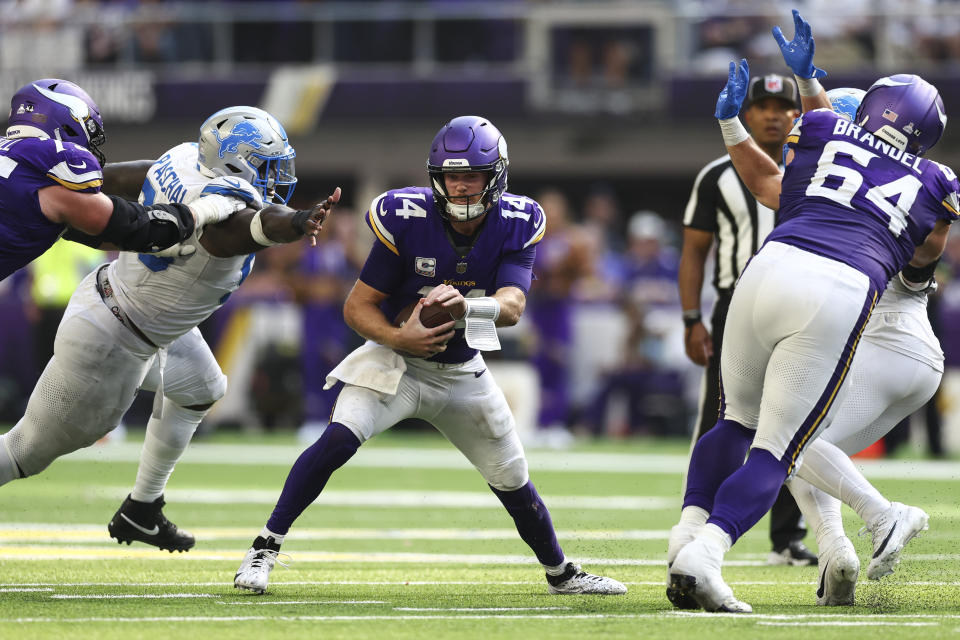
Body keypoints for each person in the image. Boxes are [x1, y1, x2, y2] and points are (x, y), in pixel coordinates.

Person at [233, 115, 626, 596]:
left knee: (513, 477)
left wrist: (467, 307)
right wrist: (401, 340)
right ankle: (264, 549)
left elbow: (514, 305)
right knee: (337, 440)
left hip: (462, 372)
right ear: (435, 178)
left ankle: (561, 574)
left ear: (495, 176)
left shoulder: (517, 221)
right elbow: (357, 307)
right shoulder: (407, 217)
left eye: (472, 176)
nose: (461, 187)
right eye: (451, 176)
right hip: (396, 362)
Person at [667, 9, 956, 613]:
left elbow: (799, 151)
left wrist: (743, 113)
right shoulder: (934, 180)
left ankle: (691, 535)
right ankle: (707, 553)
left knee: (736, 422)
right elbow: (926, 252)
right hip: (842, 293)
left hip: (767, 268)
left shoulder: (824, 131)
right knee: (782, 447)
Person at [0, 106, 339, 557]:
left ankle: (142, 508)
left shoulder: (181, 158)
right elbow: (254, 227)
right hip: (114, 342)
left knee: (202, 386)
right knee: (25, 452)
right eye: (267, 163)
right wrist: (298, 222)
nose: (277, 175)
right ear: (237, 160)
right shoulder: (225, 212)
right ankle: (139, 507)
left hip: (119, 304)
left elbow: (119, 178)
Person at [679, 69, 816, 566]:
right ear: (748, 112)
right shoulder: (717, 174)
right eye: (763, 107)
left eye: (785, 108)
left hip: (802, 305)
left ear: (798, 115)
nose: (775, 116)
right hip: (733, 304)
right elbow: (695, 251)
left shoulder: (819, 169)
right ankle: (697, 519)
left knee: (791, 418)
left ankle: (788, 535)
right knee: (719, 416)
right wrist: (691, 317)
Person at [0, 78, 239, 282]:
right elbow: (129, 226)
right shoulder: (53, 166)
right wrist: (203, 209)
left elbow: (78, 227)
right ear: (67, 126)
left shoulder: (17, 163)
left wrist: (136, 245)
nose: (90, 149)